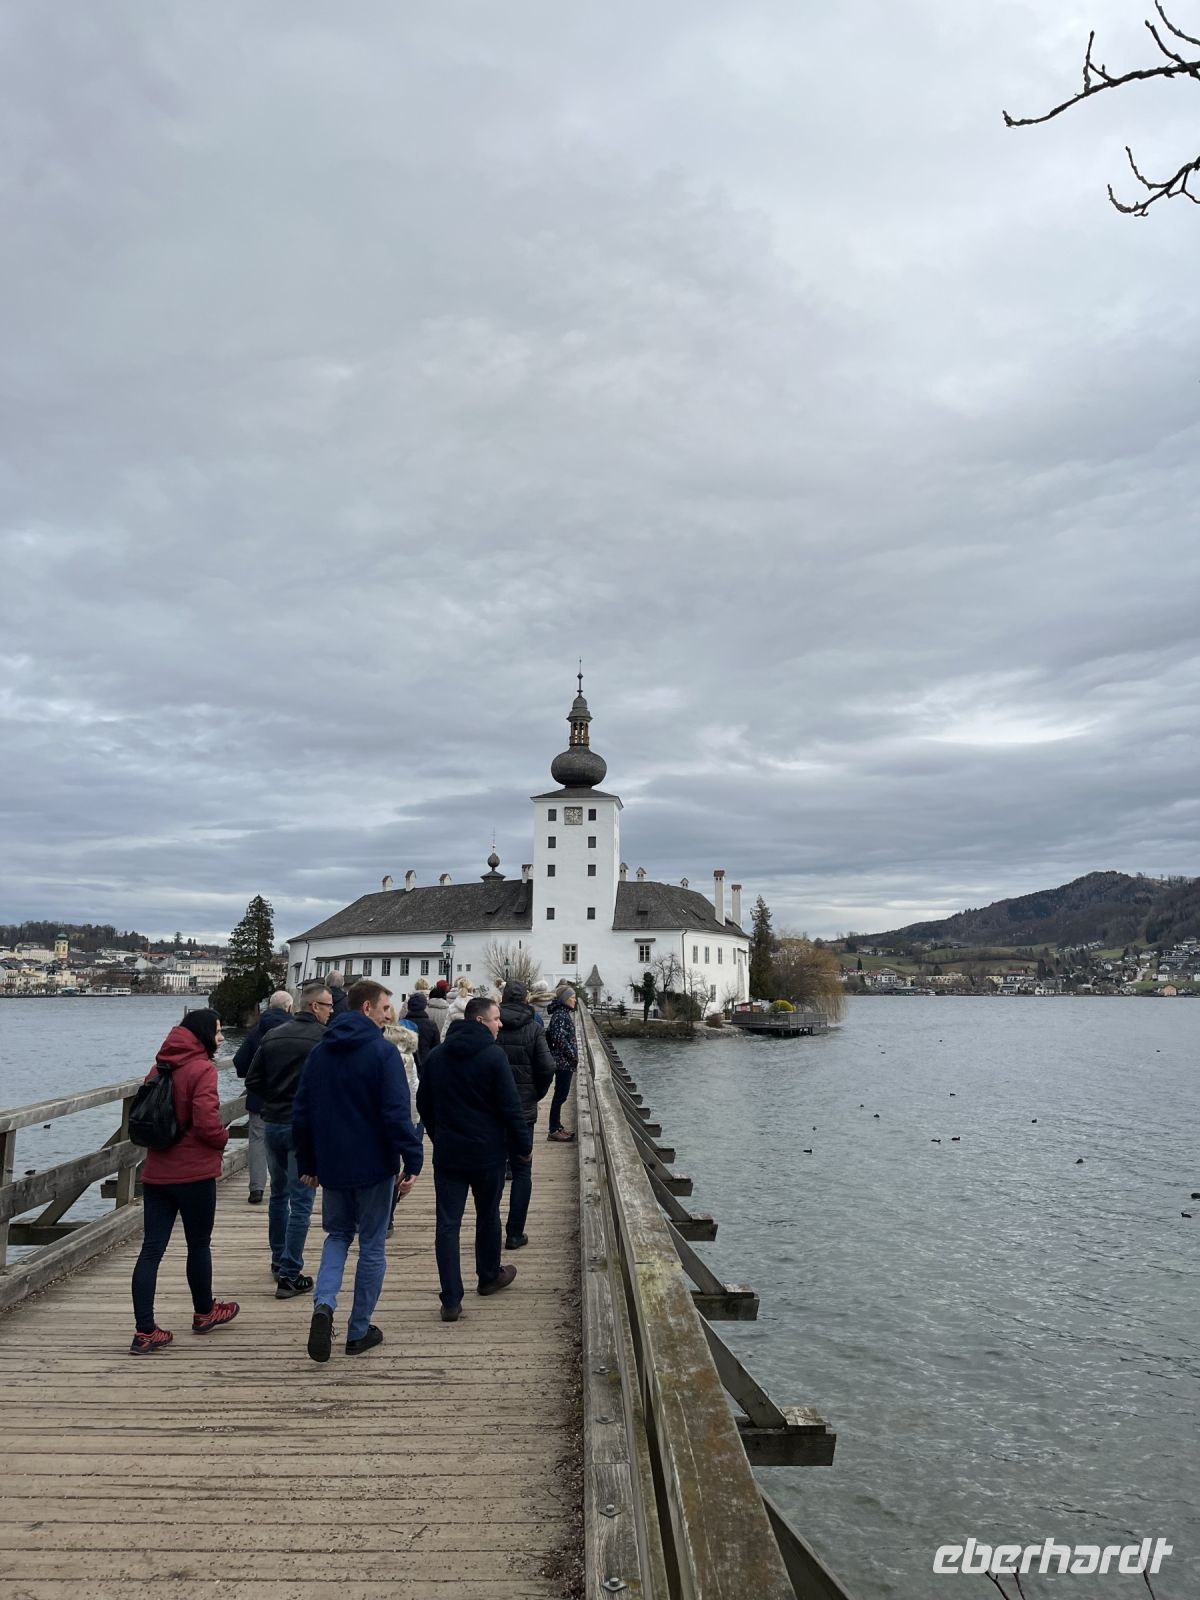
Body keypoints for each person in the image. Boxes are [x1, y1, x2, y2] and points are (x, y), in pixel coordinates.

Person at [293, 979, 424, 1361]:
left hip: (333, 1164)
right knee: (372, 1244)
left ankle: (324, 1303)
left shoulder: (321, 1052)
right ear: (366, 1008)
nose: (389, 1016)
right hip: (374, 1164)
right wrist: (412, 1160)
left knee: (337, 1236)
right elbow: (398, 1115)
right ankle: (358, 1329)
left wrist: (308, 1162)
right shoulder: (382, 1054)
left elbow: (302, 1113)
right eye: (385, 1009)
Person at [129, 1009, 239, 1354]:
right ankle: (204, 1312)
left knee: (151, 1250)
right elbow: (206, 1121)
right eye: (217, 1032)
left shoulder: (159, 1066)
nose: (220, 1038)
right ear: (203, 1034)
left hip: (157, 1172)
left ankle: (145, 1331)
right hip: (194, 1173)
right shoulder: (202, 1068)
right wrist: (223, 1139)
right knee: (198, 1244)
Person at [417, 997, 531, 1320]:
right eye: (496, 1019)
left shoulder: (438, 1057)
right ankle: (488, 1276)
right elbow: (511, 1108)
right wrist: (522, 1147)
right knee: (488, 1214)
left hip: (449, 1153)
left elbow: (423, 1103)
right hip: (487, 1153)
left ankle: (451, 1299)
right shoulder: (494, 1057)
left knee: (447, 1225)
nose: (501, 1024)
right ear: (480, 1021)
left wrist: (438, 1135)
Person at [245, 983, 331, 1298]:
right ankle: (290, 1272)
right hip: (303, 1127)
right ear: (313, 1007)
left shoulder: (272, 1036)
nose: (331, 1010)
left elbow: (253, 1079)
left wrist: (275, 1097)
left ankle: (278, 1258)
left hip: (273, 1123)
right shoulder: (324, 1040)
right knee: (302, 1200)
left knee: (279, 1194)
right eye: (327, 1005)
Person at [496, 978, 555, 1249]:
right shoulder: (534, 1029)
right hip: (522, 1111)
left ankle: (490, 1228)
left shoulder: (490, 1026)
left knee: (494, 1170)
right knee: (522, 1171)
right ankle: (515, 1233)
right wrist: (535, 1094)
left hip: (492, 1110)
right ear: (525, 1000)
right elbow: (547, 1067)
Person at [233, 989, 293, 1205]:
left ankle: (256, 1188)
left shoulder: (257, 1031)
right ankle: (285, 1185)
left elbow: (240, 1063)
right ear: (289, 1008)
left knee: (258, 1140)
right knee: (288, 1140)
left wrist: (253, 1076)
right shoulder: (294, 1030)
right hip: (288, 1097)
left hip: (260, 1096)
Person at [545, 987, 579, 1141]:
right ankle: (553, 1129)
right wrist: (573, 1056)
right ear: (565, 999)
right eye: (573, 997)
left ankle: (557, 1126)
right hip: (562, 1062)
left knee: (561, 1096)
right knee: (560, 1096)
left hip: (564, 1061)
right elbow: (560, 1039)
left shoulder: (562, 1013)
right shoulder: (560, 1015)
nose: (575, 1000)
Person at [403, 989, 442, 1076]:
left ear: (409, 1007)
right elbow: (436, 1048)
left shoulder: (402, 1024)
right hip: (426, 1065)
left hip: (406, 1066)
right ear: (424, 1006)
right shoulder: (431, 1025)